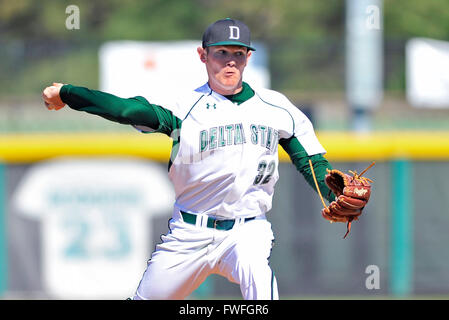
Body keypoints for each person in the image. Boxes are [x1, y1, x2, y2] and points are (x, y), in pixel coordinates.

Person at [42, 18, 336, 300]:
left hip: (247, 230)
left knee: (259, 278)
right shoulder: (183, 106)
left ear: (248, 57)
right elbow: (127, 111)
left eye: (238, 53)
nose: (230, 61)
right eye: (221, 53)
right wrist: (69, 94)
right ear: (203, 55)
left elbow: (309, 159)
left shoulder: (276, 107)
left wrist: (332, 192)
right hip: (189, 233)